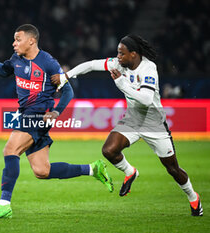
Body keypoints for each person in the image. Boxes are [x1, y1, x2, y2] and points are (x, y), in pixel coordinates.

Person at [0, 24, 114, 219]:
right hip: (27, 115)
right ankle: (92, 169)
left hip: (39, 115)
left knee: (10, 150)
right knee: (42, 170)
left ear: (31, 40)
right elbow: (3, 71)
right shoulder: (16, 59)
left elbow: (68, 91)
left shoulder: (48, 63)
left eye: (18, 39)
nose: (14, 43)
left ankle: (4, 204)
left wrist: (56, 112)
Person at [58, 34, 203, 216]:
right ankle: (130, 171)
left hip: (154, 124)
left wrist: (121, 83)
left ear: (133, 54)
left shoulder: (148, 68)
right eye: (118, 53)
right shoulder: (120, 63)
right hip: (133, 119)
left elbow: (146, 99)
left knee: (172, 169)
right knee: (109, 150)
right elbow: (92, 64)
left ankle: (193, 197)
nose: (118, 57)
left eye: (122, 54)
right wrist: (67, 75)